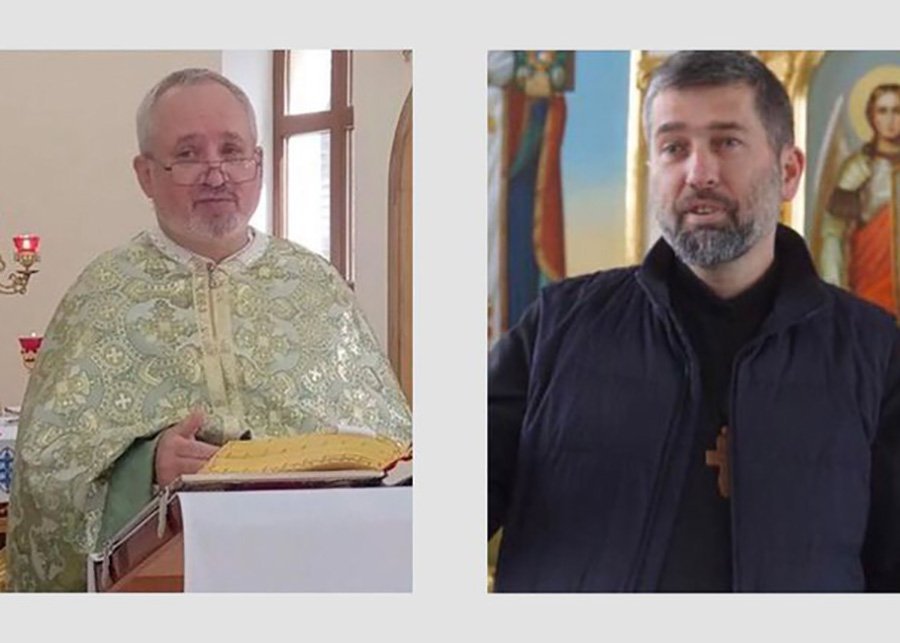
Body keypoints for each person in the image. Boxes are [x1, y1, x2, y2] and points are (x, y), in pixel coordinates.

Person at [488, 50, 900, 592]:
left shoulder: (874, 351)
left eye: (726, 142)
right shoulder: (557, 329)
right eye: (674, 147)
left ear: (788, 172)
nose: (698, 172)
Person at [6, 68, 411, 592]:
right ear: (145, 174)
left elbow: (392, 444)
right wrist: (145, 467)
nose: (216, 174)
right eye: (189, 154)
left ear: (259, 165)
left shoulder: (315, 285)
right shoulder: (102, 295)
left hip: (314, 572)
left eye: (233, 150)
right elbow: (46, 469)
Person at [818, 83, 900, 316]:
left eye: (897, 110)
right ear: (871, 116)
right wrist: (833, 284)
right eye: (883, 111)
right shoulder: (857, 170)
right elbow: (834, 232)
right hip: (870, 278)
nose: (891, 119)